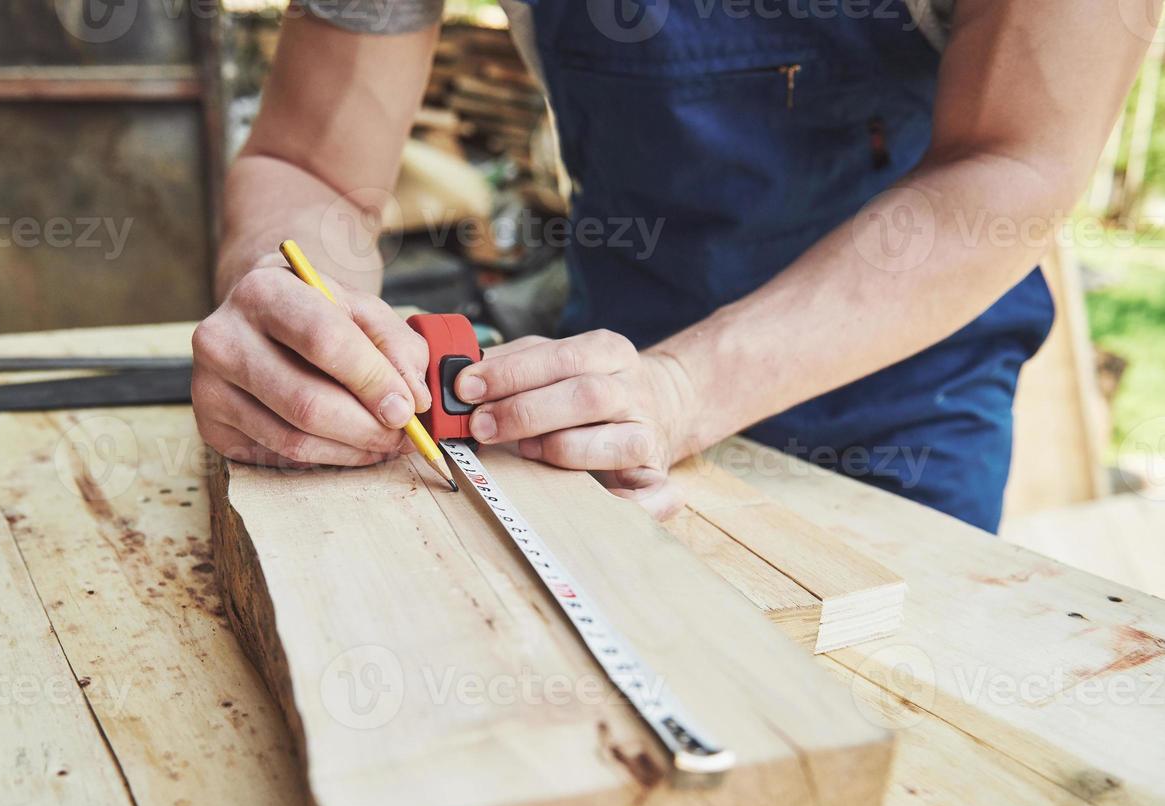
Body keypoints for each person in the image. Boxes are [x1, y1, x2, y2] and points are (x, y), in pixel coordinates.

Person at [190, 0, 1157, 531]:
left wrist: (685, 390)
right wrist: (294, 309)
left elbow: (1013, 164)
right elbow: (306, 164)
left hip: (894, 407)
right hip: (608, 377)